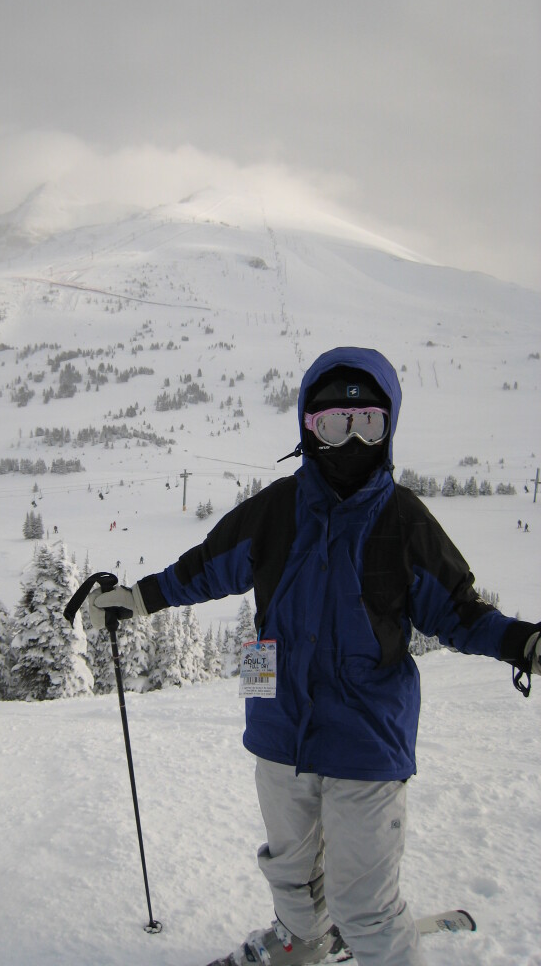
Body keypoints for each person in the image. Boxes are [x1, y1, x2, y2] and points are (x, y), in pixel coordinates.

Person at [88, 347, 540, 966]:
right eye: (331, 425)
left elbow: (459, 612)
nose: (349, 441)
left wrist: (520, 641)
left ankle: (374, 940)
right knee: (291, 870)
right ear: (307, 427)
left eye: (367, 424)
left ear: (388, 429)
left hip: (366, 738)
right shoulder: (277, 508)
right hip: (277, 726)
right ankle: (301, 938)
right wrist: (137, 599)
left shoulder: (403, 520)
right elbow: (208, 565)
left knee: (366, 907)